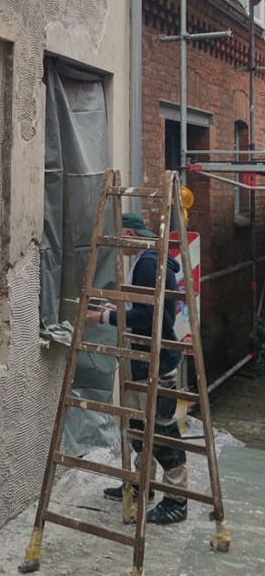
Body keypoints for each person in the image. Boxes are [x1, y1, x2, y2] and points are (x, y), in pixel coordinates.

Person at [86, 211, 188, 524]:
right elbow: (140, 307)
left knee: (161, 430)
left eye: (121, 238)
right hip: (144, 359)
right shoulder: (149, 259)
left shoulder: (146, 264)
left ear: (129, 235)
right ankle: (142, 484)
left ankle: (177, 500)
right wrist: (116, 307)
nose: (120, 245)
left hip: (153, 361)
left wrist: (105, 317)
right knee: (139, 429)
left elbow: (147, 316)